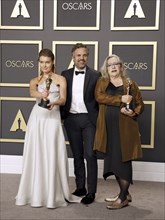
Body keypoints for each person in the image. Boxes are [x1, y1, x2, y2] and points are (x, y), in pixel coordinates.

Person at [15, 49, 81, 209]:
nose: (44, 65)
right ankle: (34, 192)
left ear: (53, 62)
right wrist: (40, 93)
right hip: (37, 119)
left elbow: (64, 99)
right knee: (36, 153)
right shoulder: (34, 81)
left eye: (48, 62)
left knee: (52, 152)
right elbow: (32, 92)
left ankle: (53, 194)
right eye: (42, 62)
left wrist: (54, 102)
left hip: (52, 118)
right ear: (39, 63)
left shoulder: (60, 79)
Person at [94, 54, 144, 209]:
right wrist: (120, 99)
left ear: (121, 67)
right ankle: (125, 192)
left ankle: (122, 197)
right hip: (108, 129)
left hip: (125, 129)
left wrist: (134, 112)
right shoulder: (102, 82)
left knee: (124, 160)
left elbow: (140, 104)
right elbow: (99, 97)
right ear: (106, 68)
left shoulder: (130, 84)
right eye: (110, 65)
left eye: (116, 64)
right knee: (113, 160)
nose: (113, 67)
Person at [60, 43, 100, 204]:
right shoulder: (65, 74)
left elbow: (100, 98)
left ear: (87, 57)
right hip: (71, 119)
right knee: (77, 155)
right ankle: (80, 187)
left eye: (84, 55)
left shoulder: (96, 75)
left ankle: (91, 192)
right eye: (78, 55)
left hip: (89, 120)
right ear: (73, 57)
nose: (81, 58)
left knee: (90, 155)